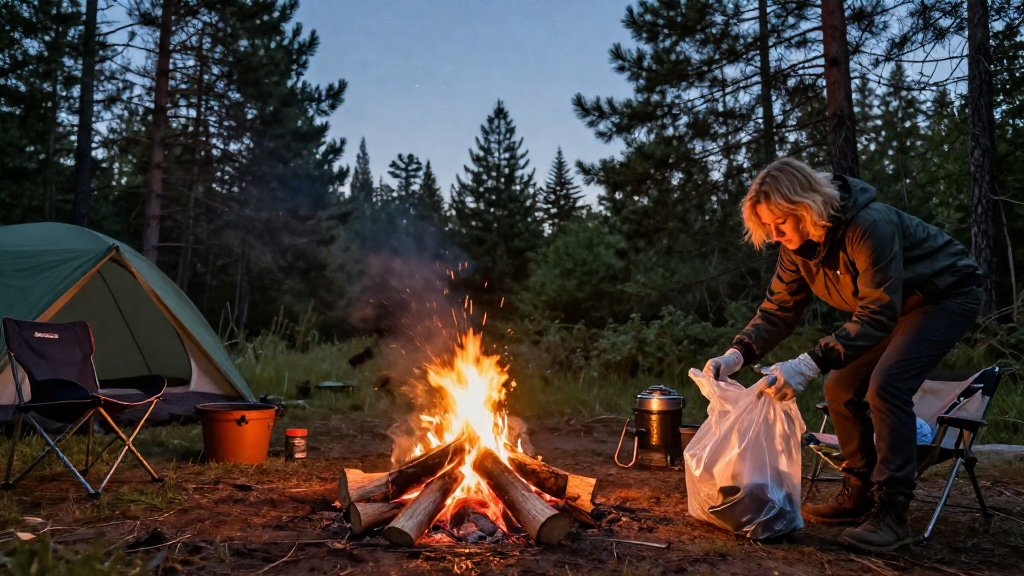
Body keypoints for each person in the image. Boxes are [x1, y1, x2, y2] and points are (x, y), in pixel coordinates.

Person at [703, 157, 982, 552]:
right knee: (840, 387)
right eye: (766, 226)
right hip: (894, 308)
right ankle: (859, 491)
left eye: (778, 223)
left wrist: (805, 364)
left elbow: (877, 312)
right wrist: (737, 353)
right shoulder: (796, 247)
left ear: (804, 206)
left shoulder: (871, 226)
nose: (773, 234)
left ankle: (893, 512)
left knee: (887, 386)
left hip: (945, 295)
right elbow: (780, 308)